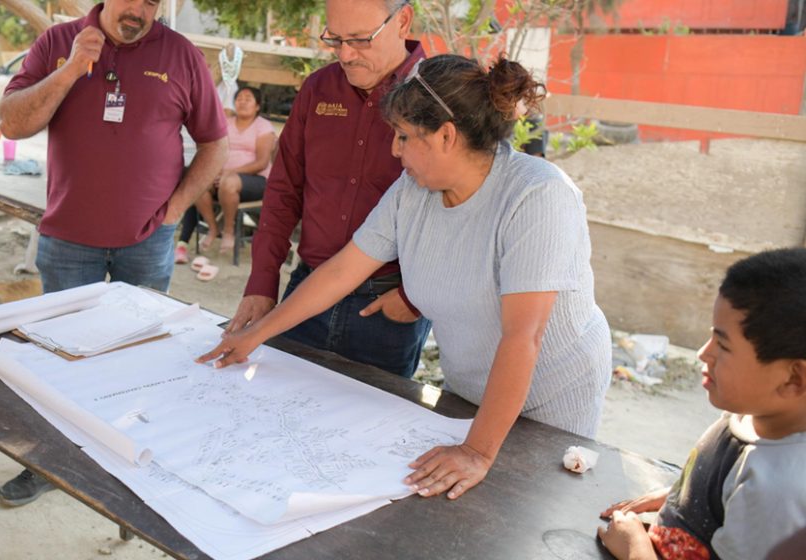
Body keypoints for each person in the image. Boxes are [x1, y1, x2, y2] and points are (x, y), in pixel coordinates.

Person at [200, 54, 613, 501]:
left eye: (402, 137)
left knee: (534, 511)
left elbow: (524, 337)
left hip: (551, 395)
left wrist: (477, 449)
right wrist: (256, 333)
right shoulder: (412, 192)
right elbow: (341, 271)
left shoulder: (538, 195)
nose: (394, 150)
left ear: (446, 136)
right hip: (474, 388)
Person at [0, 0, 228, 507]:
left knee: (140, 357)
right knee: (56, 359)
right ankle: (44, 461)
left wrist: (176, 210)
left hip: (147, 242)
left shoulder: (182, 54)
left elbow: (215, 142)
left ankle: (126, 465)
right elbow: (12, 124)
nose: (140, 9)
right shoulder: (58, 43)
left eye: (152, 1)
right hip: (67, 240)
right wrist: (71, 70)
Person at [229, 0, 432, 379]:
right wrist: (262, 281)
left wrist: (415, 299)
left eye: (359, 39)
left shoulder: (438, 96)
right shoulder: (319, 89)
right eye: (334, 40)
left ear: (402, 21)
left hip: (387, 307)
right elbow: (284, 189)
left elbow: (467, 212)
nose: (346, 55)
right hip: (306, 290)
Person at [598, 248, 806, 560]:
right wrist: (680, 495)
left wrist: (635, 549)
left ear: (793, 379)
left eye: (722, 345)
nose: (703, 353)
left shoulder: (776, 492)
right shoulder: (752, 415)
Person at [176, 86, 276, 263]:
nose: (243, 102)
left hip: (256, 180)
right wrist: (214, 172)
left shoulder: (263, 127)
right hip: (221, 176)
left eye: (248, 98)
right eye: (239, 98)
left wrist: (229, 172)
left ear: (258, 106)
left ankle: (228, 230)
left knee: (228, 183)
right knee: (198, 182)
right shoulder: (226, 123)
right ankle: (214, 229)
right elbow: (213, 150)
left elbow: (261, 163)